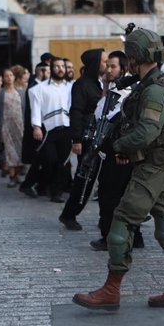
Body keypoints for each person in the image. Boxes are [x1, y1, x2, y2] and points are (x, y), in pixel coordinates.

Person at [73, 28, 164, 311]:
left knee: (122, 221)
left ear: (134, 57)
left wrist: (117, 146)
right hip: (155, 163)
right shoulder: (148, 84)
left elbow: (146, 133)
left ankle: (111, 290)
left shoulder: (153, 90)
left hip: (153, 165)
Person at [89, 50, 144, 251]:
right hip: (113, 152)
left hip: (119, 152)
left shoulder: (126, 95)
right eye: (107, 66)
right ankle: (133, 235)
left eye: (113, 66)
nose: (108, 70)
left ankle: (110, 236)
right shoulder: (113, 90)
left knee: (111, 196)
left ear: (124, 68)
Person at [59, 48, 108, 230]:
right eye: (104, 62)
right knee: (85, 179)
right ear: (95, 63)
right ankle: (69, 214)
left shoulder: (99, 83)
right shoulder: (82, 85)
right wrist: (76, 139)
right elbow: (77, 112)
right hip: (87, 140)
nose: (107, 65)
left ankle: (105, 218)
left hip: (100, 138)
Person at [29, 57, 72, 203]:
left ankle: (56, 192)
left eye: (62, 66)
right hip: (48, 130)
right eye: (57, 66)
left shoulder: (71, 87)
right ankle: (43, 185)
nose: (60, 69)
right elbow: (36, 108)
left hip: (66, 129)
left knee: (62, 162)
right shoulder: (40, 88)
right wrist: (36, 126)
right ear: (51, 68)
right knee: (49, 160)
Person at [0, 69, 24, 187]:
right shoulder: (1, 94)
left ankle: (17, 174)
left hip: (20, 126)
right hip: (6, 126)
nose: (9, 78)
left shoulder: (20, 92)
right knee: (10, 151)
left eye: (11, 75)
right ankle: (12, 176)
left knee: (20, 151)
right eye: (6, 76)